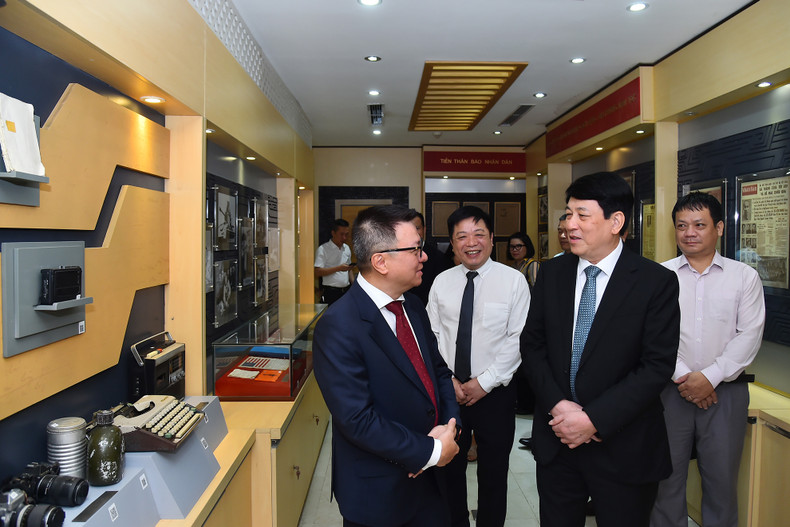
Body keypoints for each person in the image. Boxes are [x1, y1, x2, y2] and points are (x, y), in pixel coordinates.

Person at [522, 171, 680, 527]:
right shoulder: (552, 274)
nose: (569, 224)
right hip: (558, 437)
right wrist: (559, 407)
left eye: (582, 215)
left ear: (616, 222)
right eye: (567, 214)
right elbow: (532, 346)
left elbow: (656, 365)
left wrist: (593, 419)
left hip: (624, 444)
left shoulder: (655, 282)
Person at [313, 205, 461, 527]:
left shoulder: (413, 306)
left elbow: (438, 372)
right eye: (415, 249)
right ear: (381, 261)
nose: (424, 257)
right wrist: (430, 450)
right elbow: (357, 419)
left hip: (432, 483)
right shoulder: (339, 325)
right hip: (380, 492)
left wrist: (450, 429)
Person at [650, 192, 765, 527]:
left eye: (699, 225)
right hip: (668, 392)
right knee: (665, 481)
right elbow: (652, 336)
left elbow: (749, 335)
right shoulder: (659, 275)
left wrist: (711, 377)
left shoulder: (744, 276)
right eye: (682, 225)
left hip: (725, 395)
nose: (690, 232)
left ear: (718, 228)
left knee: (721, 483)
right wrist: (687, 378)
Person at [428, 206, 530, 527]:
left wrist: (483, 382)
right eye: (462, 236)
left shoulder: (513, 282)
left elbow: (519, 339)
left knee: (494, 473)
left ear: (491, 238)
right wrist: (449, 381)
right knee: (448, 470)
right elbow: (432, 337)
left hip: (495, 395)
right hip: (449, 394)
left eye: (479, 234)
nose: (471, 243)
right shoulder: (441, 282)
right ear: (452, 244)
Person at [409, 211, 452, 305]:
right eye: (409, 229)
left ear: (424, 230)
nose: (413, 232)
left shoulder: (439, 258)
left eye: (417, 228)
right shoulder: (397, 255)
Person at [314, 218, 353, 304]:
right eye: (341, 234)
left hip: (346, 291)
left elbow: (349, 269)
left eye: (346, 234)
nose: (344, 237)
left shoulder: (346, 248)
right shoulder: (323, 249)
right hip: (331, 292)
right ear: (333, 233)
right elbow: (317, 272)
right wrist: (338, 268)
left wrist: (353, 285)